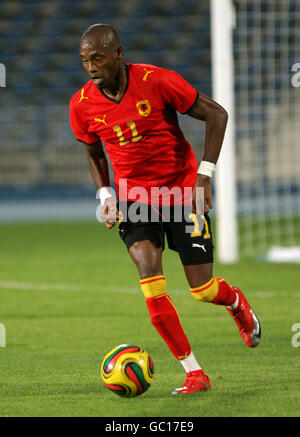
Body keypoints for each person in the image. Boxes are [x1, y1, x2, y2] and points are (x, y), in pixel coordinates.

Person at [69, 23, 261, 395]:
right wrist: (106, 195)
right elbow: (92, 150)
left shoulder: (158, 82)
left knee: (202, 289)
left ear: (118, 55)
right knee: (148, 270)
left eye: (98, 58)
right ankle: (194, 373)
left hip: (181, 194)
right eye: (84, 61)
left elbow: (217, 114)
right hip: (135, 201)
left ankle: (235, 301)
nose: (91, 67)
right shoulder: (81, 104)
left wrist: (204, 176)